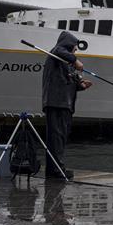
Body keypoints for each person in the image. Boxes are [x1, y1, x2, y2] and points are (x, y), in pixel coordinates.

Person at [41, 31, 92, 179]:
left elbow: (67, 83)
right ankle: (55, 171)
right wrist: (75, 60)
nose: (75, 51)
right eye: (74, 48)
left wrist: (81, 85)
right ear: (68, 45)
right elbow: (59, 50)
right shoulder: (57, 53)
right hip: (56, 103)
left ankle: (57, 168)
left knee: (60, 138)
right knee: (56, 138)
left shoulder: (64, 64)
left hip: (64, 105)